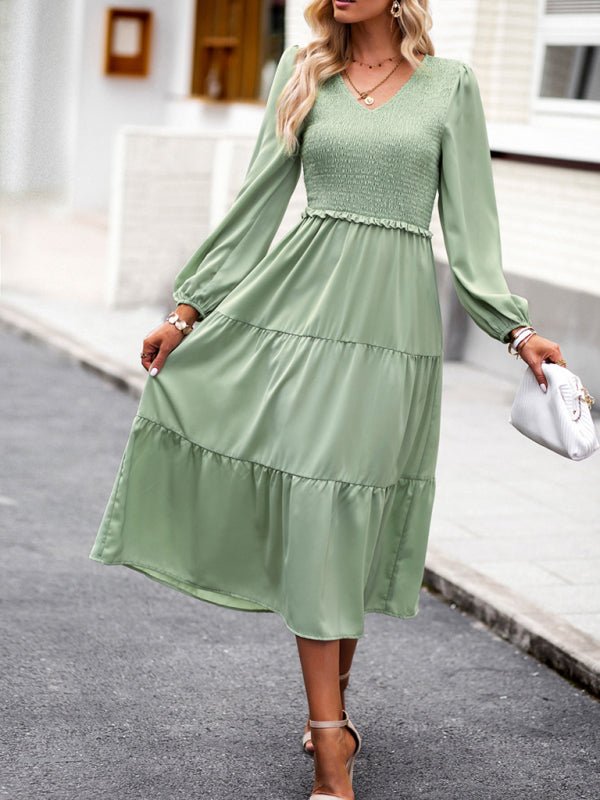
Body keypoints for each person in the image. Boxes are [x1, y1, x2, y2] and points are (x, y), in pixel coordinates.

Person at [89, 1, 565, 798]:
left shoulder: (450, 86)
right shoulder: (303, 71)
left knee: (353, 513)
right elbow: (256, 207)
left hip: (394, 336)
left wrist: (516, 334)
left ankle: (332, 709)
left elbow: (474, 234)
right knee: (319, 506)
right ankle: (330, 745)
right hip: (301, 318)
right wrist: (187, 310)